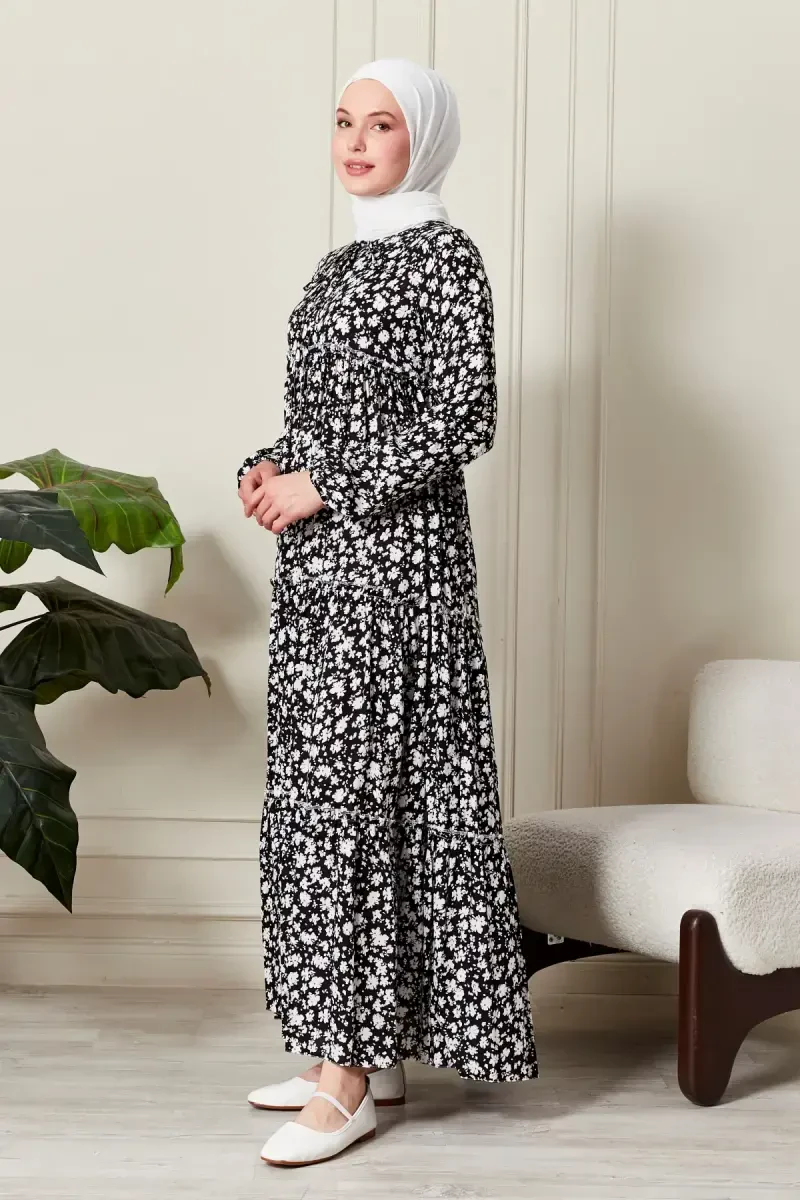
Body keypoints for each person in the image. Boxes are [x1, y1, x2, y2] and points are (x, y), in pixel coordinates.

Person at [237, 56, 538, 1169]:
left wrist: (325, 483)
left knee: (365, 803)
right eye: (343, 122)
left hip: (397, 576)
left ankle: (349, 1081)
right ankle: (354, 1049)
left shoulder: (444, 258)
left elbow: (464, 419)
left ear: (426, 140)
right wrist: (271, 469)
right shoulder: (339, 265)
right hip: (322, 574)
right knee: (322, 804)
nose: (356, 143)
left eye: (382, 126)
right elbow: (319, 416)